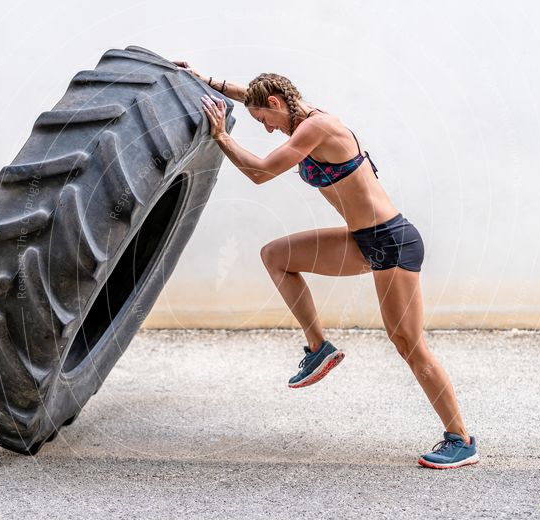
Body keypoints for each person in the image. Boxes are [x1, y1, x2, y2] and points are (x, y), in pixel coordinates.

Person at [173, 61, 478, 470]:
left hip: (391, 241)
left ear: (278, 104)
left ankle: (460, 439)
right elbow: (254, 95)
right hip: (361, 240)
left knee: (408, 343)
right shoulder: (294, 112)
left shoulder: (316, 127)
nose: (265, 128)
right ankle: (319, 348)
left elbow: (260, 172)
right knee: (276, 256)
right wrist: (202, 79)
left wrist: (222, 137)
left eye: (264, 120)